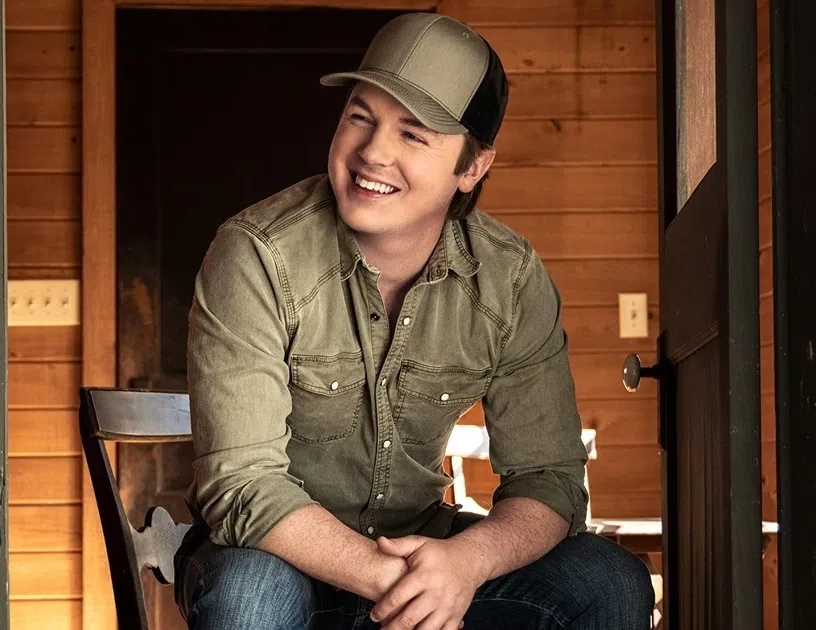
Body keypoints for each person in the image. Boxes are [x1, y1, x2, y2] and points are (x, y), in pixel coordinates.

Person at [177, 12, 655, 630]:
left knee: (608, 580)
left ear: (473, 167)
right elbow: (242, 485)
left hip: (426, 543)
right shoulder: (255, 254)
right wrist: (407, 587)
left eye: (413, 134)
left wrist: (464, 565)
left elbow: (549, 479)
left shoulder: (508, 280)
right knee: (251, 595)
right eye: (359, 117)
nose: (373, 153)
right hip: (272, 554)